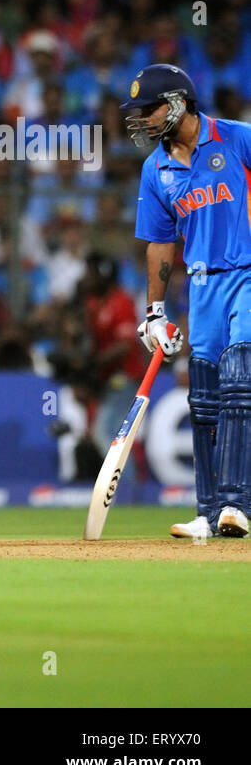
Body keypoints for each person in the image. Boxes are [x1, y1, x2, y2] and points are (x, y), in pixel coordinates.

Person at [127, 63, 251, 539]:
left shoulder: (236, 139)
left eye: (150, 108)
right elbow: (159, 243)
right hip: (201, 287)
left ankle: (237, 505)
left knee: (240, 378)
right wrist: (154, 312)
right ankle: (208, 512)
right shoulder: (155, 168)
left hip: (245, 272)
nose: (142, 119)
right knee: (203, 399)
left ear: (179, 102)